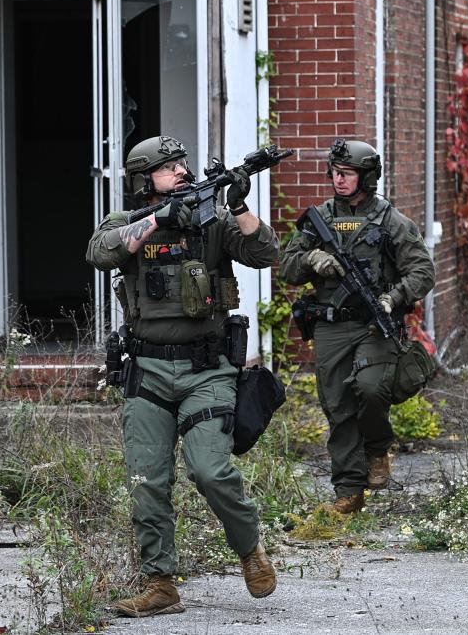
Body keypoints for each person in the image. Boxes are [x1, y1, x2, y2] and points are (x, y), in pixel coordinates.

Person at [86, 135, 280, 617]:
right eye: (169, 166)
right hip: (147, 370)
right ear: (143, 179)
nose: (181, 171)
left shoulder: (211, 222)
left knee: (210, 471)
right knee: (146, 480)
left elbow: (265, 253)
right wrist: (157, 221)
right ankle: (160, 583)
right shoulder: (127, 222)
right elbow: (101, 252)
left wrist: (238, 206)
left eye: (182, 164)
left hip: (205, 370)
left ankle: (250, 549)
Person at [278, 139, 435, 514]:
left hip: (374, 325)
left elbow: (423, 271)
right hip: (331, 325)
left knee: (370, 388)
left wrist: (393, 298)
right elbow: (287, 265)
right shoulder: (320, 218)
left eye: (346, 174)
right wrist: (313, 258)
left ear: (367, 177)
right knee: (337, 406)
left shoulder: (390, 221)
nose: (338, 179)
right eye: (334, 173)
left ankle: (378, 448)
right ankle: (348, 493)